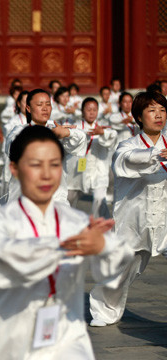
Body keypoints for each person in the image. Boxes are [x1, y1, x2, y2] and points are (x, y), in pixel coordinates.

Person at [0, 125, 132, 359]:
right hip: (6, 337)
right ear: (14, 169)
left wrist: (102, 247)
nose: (47, 174)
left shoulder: (75, 221)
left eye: (55, 165)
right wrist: (61, 249)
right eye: (36, 165)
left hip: (65, 333)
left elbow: (120, 259)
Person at [89, 91, 167, 327]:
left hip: (165, 217)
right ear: (139, 116)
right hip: (135, 218)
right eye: (152, 110)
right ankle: (105, 310)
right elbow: (125, 162)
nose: (159, 115)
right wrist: (155, 155)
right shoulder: (128, 145)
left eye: (163, 110)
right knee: (122, 271)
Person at [4, 89, 86, 205]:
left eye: (48, 104)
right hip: (26, 195)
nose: (45, 108)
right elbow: (13, 147)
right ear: (28, 108)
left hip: (56, 194)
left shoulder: (57, 127)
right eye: (39, 105)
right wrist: (50, 135)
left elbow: (81, 139)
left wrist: (68, 133)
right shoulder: (19, 130)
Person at [65, 97, 117, 219]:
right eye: (88, 109)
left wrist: (102, 133)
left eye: (94, 109)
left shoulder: (103, 127)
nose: (92, 112)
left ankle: (101, 229)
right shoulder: (75, 126)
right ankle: (67, 226)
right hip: (77, 169)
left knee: (100, 199)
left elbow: (112, 136)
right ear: (82, 111)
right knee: (70, 199)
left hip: (98, 169)